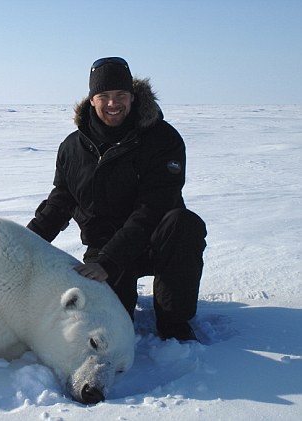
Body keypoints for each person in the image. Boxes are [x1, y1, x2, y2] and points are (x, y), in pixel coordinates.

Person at [27, 57, 207, 341]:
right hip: (104, 248)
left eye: (121, 95)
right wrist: (23, 244)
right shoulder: (73, 147)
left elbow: (152, 208)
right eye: (105, 96)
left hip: (153, 242)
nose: (113, 104)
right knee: (113, 323)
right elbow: (60, 201)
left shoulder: (163, 139)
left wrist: (109, 262)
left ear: (133, 98)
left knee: (184, 225)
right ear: (92, 99)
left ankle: (174, 324)